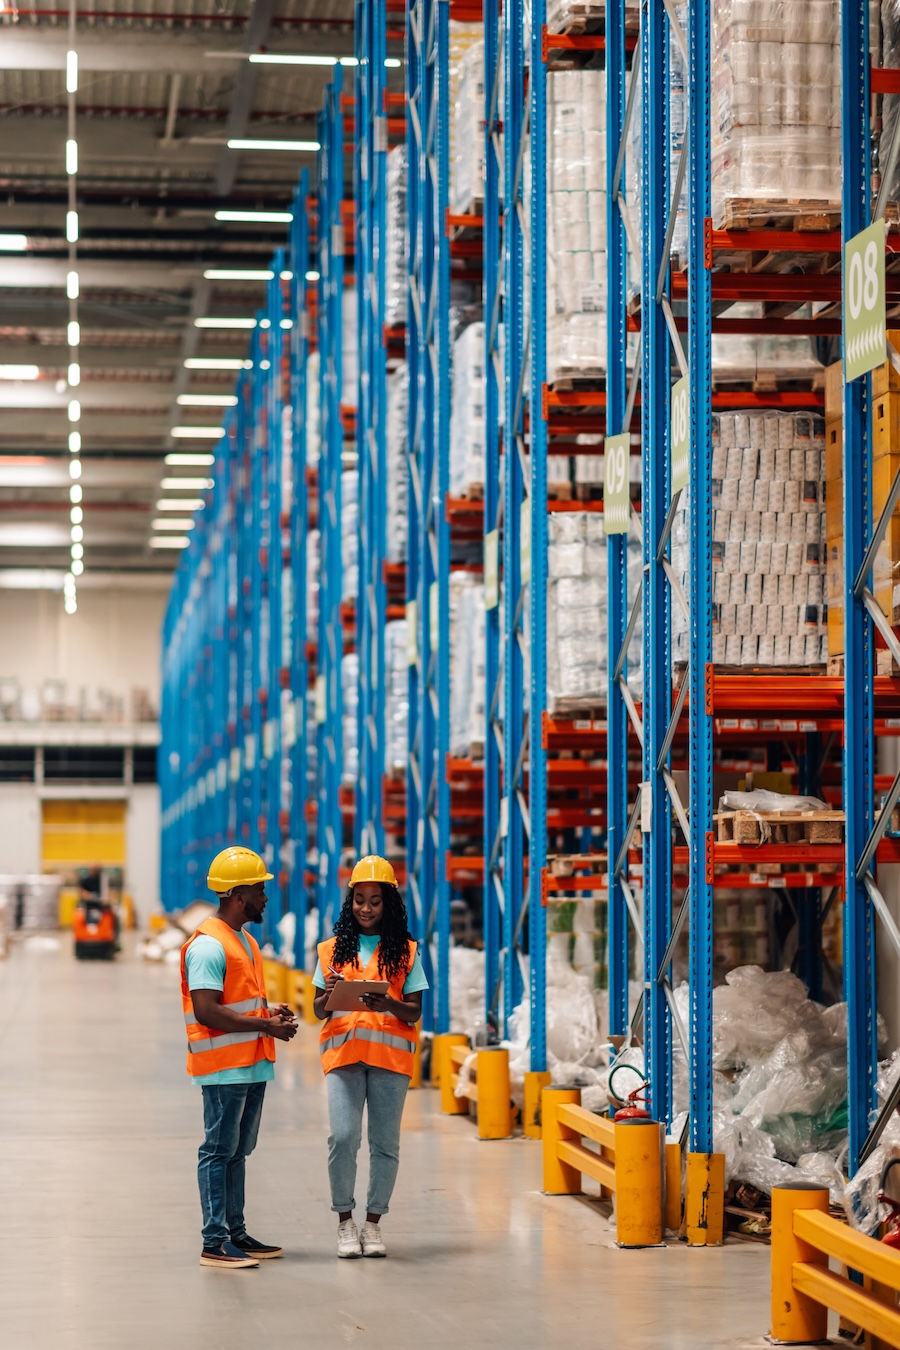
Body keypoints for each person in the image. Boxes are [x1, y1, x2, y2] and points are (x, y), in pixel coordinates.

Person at [180, 845, 298, 1270]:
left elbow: (240, 1003)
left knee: (237, 1150)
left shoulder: (243, 940)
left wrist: (270, 1013)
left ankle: (235, 1231)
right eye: (259, 890)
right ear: (237, 895)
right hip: (222, 1068)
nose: (266, 897)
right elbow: (206, 1010)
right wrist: (266, 1027)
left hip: (249, 1063)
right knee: (218, 1149)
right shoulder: (209, 947)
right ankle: (214, 1241)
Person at [313, 855, 428, 1259]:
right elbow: (318, 1009)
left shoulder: (408, 952)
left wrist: (388, 1004)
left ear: (389, 904)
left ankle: (373, 1224)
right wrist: (329, 992)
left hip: (389, 1062)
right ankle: (345, 1222)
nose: (366, 908)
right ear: (350, 901)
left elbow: (414, 1011)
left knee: (384, 1145)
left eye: (375, 901)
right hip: (343, 1058)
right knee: (342, 1138)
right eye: (359, 899)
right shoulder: (330, 950)